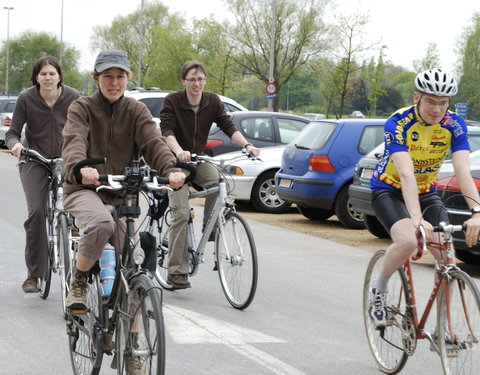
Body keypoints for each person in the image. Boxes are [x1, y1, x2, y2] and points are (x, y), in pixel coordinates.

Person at [62, 50, 187, 310]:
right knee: (101, 223)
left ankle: (131, 344)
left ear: (128, 78)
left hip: (121, 193)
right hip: (84, 188)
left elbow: (154, 143)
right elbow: (74, 140)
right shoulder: (81, 107)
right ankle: (79, 280)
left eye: (120, 76)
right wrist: (80, 167)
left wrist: (171, 168)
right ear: (96, 78)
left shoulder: (136, 110)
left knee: (134, 260)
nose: (114, 82)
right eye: (108, 76)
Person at [368, 68, 480, 327]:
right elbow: (406, 174)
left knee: (446, 256)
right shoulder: (398, 122)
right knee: (407, 241)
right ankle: (379, 290)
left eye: (443, 103)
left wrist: (476, 212)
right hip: (389, 189)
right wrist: (416, 220)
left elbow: (463, 171)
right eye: (431, 101)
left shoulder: (454, 125)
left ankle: (443, 327)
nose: (437, 109)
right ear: (417, 97)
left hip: (427, 191)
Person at [159, 60, 260, 289]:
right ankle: (177, 271)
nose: (197, 84)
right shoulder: (173, 101)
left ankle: (211, 230)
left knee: (218, 181)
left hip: (197, 158)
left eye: (201, 79)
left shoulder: (212, 101)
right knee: (182, 214)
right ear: (183, 81)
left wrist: (247, 146)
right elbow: (167, 131)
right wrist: (178, 151)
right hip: (174, 161)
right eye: (192, 79)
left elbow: (227, 125)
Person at [6, 56, 80, 293]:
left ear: (60, 76)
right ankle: (34, 274)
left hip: (66, 159)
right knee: (36, 211)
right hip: (35, 160)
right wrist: (16, 146)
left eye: (52, 73)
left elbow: (85, 128)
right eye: (43, 74)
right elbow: (13, 132)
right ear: (36, 77)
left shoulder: (73, 97)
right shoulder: (26, 98)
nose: (48, 78)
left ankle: (80, 260)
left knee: (78, 205)